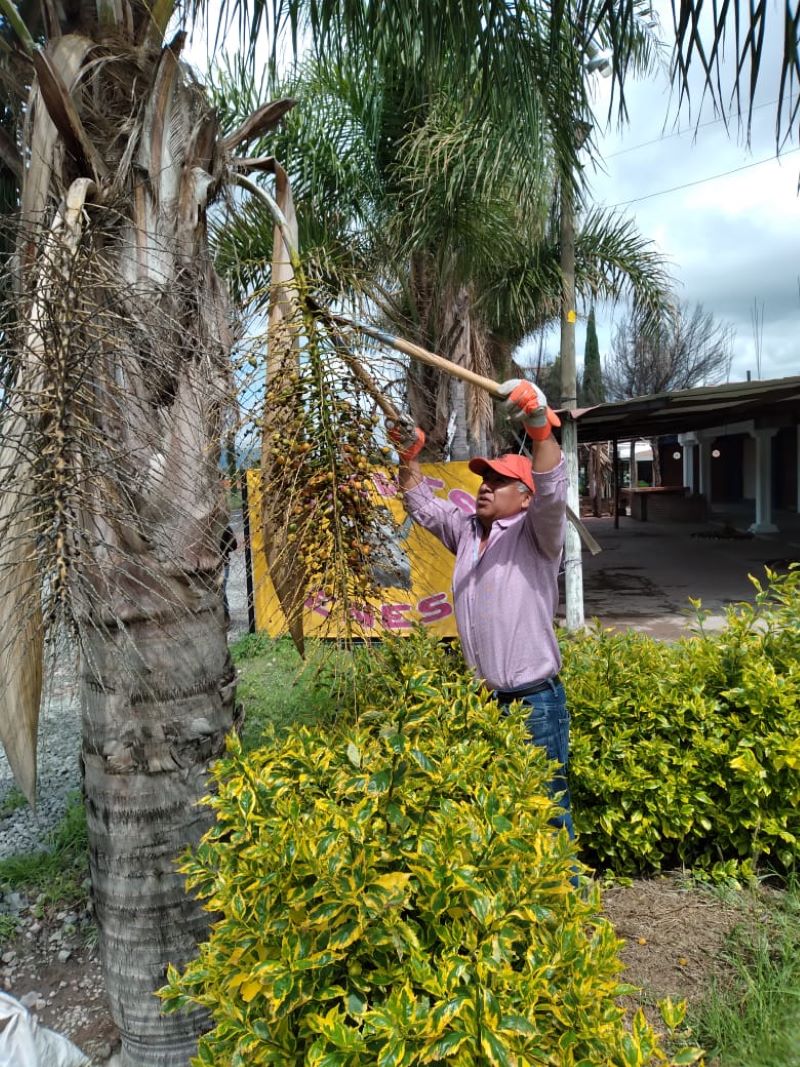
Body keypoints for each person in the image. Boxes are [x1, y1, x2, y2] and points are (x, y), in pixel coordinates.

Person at [388, 377, 573, 840]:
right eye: (484, 480)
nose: (485, 487)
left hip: (534, 704)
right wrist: (407, 457)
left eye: (499, 481)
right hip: (486, 702)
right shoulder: (467, 531)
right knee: (500, 815)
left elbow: (552, 489)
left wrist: (539, 427)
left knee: (549, 814)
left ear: (525, 496)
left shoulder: (537, 534)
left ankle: (566, 886)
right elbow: (421, 503)